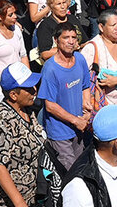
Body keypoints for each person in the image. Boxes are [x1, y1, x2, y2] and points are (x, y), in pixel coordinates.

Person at [0, 62, 45, 207]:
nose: (34, 90)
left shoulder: (27, 110)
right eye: (28, 89)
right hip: (9, 201)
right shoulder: (0, 120)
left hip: (32, 193)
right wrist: (19, 202)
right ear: (13, 94)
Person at [39, 22, 92, 169]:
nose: (71, 41)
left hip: (79, 127)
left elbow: (85, 86)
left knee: (80, 167)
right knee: (70, 174)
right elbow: (50, 106)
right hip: (60, 131)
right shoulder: (50, 69)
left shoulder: (80, 59)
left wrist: (86, 106)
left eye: (74, 37)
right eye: (66, 37)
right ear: (56, 40)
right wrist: (76, 121)